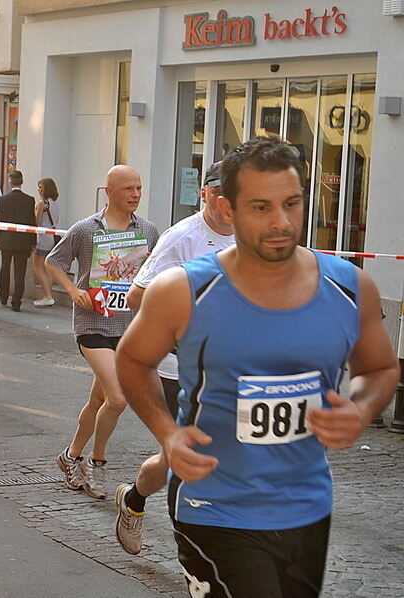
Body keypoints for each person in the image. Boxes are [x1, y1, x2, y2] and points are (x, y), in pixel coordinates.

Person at [116, 137, 398, 596]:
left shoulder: (350, 287)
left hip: (306, 507)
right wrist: (167, 432)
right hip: (214, 505)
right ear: (228, 209)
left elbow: (381, 368)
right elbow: (132, 358)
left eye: (291, 204)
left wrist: (361, 409)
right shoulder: (183, 291)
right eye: (261, 207)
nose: (281, 222)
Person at [111, 161, 233, 555]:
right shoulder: (182, 239)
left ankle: (134, 497)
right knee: (191, 452)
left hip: (229, 366)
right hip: (178, 368)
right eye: (220, 192)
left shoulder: (252, 235)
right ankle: (206, 552)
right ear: (205, 194)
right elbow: (137, 295)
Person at [46, 165, 159, 500]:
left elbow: (156, 271)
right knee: (117, 398)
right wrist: (71, 290)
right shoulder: (86, 229)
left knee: (98, 399)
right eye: (128, 189)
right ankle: (97, 462)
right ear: (108, 192)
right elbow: (54, 261)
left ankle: (70, 456)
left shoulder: (148, 231)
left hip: (127, 326)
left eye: (139, 188)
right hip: (92, 323)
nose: (135, 195)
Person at [0, 170, 37, 312]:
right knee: (20, 271)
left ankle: (3, 296)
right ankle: (17, 300)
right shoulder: (29, 200)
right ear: (22, 182)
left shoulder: (2, 199)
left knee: (5, 268)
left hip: (6, 239)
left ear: (10, 181)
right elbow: (32, 221)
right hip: (23, 240)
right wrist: (33, 240)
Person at [33, 178, 60, 307]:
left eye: (41, 188)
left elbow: (36, 223)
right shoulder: (55, 203)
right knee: (48, 267)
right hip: (53, 235)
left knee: (38, 266)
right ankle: (48, 295)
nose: (39, 190)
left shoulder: (41, 203)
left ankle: (47, 296)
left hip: (43, 237)